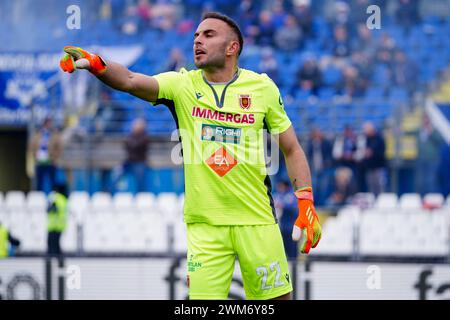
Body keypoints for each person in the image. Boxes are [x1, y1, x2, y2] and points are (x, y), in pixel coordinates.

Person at [59, 12, 321, 300]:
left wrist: (305, 201)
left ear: (232, 47)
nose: (198, 40)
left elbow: (292, 148)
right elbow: (131, 80)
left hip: (256, 220)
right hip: (204, 227)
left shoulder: (262, 88)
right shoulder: (181, 86)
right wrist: (98, 65)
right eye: (196, 35)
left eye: (209, 35)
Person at [111, 118, 150, 194]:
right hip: (129, 161)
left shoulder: (145, 136)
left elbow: (136, 146)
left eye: (138, 125)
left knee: (140, 181)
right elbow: (127, 145)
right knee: (117, 175)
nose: (135, 126)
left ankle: (141, 195)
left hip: (139, 162)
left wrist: (131, 144)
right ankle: (110, 192)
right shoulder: (131, 135)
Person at [28, 117, 62, 194]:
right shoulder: (38, 134)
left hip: (51, 162)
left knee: (53, 182)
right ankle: (38, 200)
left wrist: (54, 157)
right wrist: (35, 155)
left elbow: (59, 147)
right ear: (45, 124)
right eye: (49, 123)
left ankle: (54, 200)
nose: (51, 125)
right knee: (39, 183)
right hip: (40, 162)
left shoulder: (54, 135)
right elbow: (31, 146)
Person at [273, 180, 299, 260]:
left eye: (280, 186)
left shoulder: (292, 195)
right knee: (284, 249)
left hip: (292, 227)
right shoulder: (278, 196)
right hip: (283, 228)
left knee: (293, 250)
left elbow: (294, 208)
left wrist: (283, 205)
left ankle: (294, 268)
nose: (279, 188)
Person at [361, 122, 387, 195]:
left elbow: (382, 152)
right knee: (371, 188)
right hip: (369, 167)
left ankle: (381, 203)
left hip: (379, 167)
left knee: (380, 187)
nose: (365, 131)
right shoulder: (365, 139)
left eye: (366, 129)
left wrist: (372, 152)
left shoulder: (379, 138)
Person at [47, 183, 68, 257]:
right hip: (60, 225)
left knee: (52, 244)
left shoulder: (54, 198)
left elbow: (50, 210)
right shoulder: (64, 199)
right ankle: (60, 262)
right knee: (57, 244)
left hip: (54, 225)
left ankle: (51, 262)